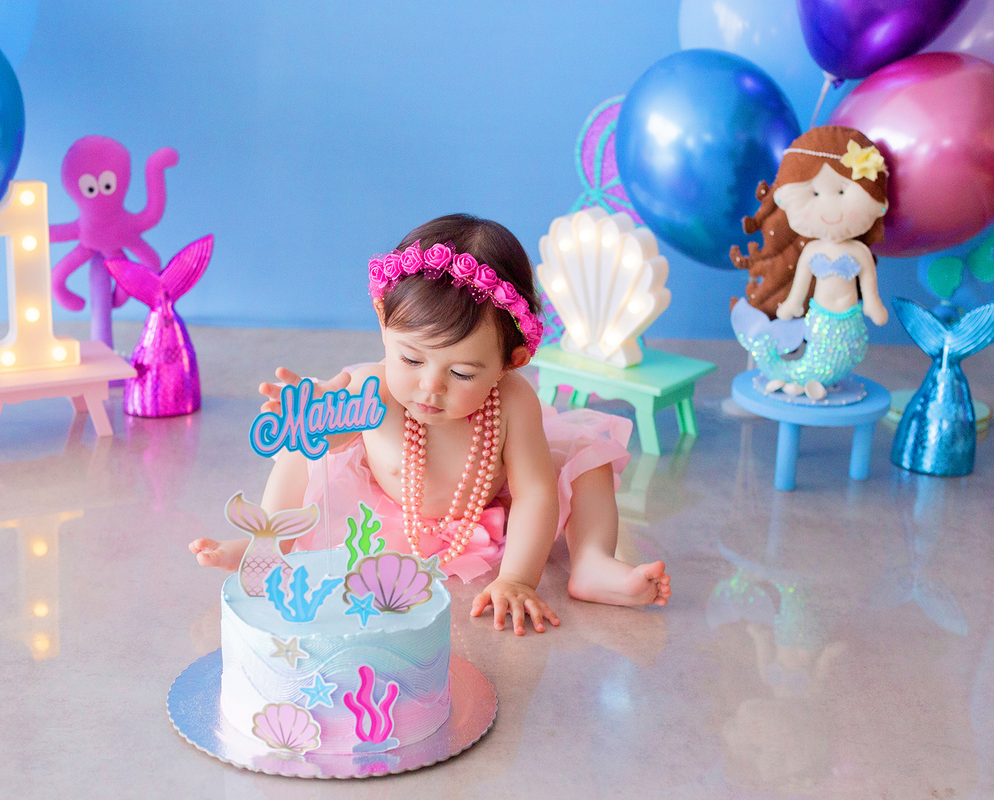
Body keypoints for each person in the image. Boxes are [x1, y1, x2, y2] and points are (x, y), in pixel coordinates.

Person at [192, 214, 671, 635]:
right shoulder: (371, 388)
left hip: (484, 499)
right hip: (395, 504)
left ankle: (591, 562)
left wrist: (517, 578)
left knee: (588, 463)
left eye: (462, 372)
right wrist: (311, 421)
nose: (430, 386)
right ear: (382, 319)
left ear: (512, 360)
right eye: (410, 358)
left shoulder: (511, 402)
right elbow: (330, 435)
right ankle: (272, 540)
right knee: (302, 452)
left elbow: (534, 494)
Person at [729, 126, 889, 400]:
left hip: (850, 321)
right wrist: (792, 304)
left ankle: (818, 377)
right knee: (820, 353)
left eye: (841, 192)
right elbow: (801, 284)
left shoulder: (859, 252)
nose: (829, 206)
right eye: (814, 194)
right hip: (820, 319)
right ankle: (798, 374)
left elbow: (869, 286)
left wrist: (873, 304)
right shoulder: (812, 251)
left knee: (845, 353)